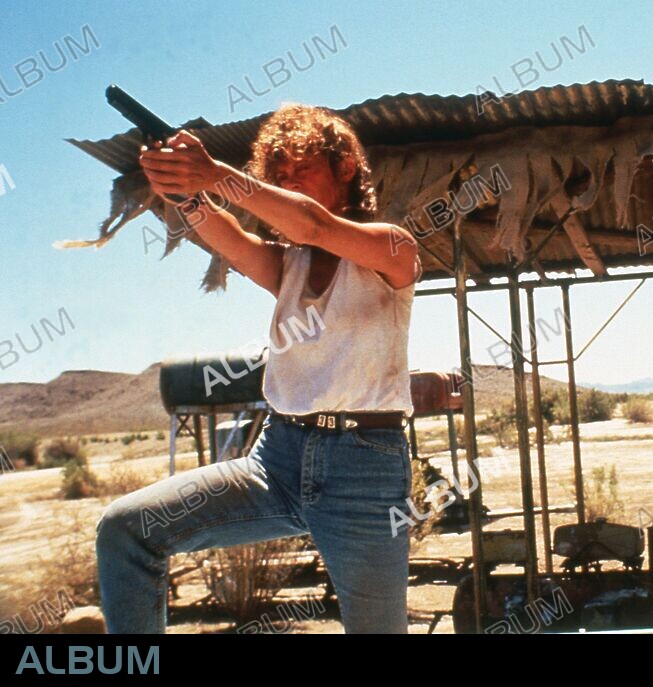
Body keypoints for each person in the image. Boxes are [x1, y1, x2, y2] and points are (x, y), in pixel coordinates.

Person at [95, 103, 421, 634]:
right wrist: (183, 191)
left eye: (303, 169)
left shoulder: (393, 247)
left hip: (364, 469)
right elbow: (226, 234)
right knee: (126, 529)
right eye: (280, 175)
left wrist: (212, 173)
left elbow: (312, 223)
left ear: (344, 169)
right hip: (276, 458)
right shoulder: (286, 264)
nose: (289, 182)